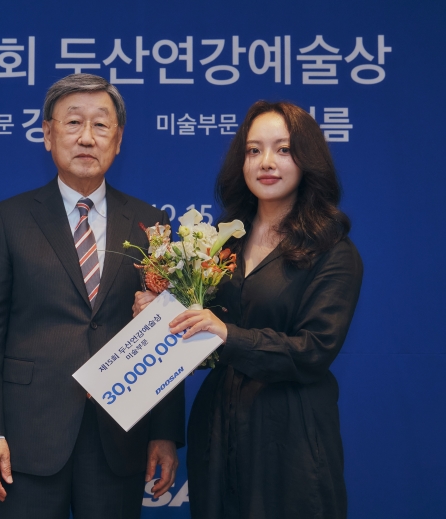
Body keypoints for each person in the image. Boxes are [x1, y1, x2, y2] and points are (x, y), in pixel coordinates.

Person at [0, 73, 185, 519]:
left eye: (101, 125)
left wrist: (163, 432)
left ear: (118, 140)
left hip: (118, 432)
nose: (87, 137)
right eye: (73, 123)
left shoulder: (150, 222)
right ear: (48, 134)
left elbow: (164, 331)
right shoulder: (9, 219)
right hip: (29, 434)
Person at [134, 100, 363, 518]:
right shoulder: (221, 242)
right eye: (254, 150)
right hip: (216, 429)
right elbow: (198, 338)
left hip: (289, 435)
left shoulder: (333, 250)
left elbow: (314, 350)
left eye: (283, 149)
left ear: (308, 159)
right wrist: (159, 316)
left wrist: (227, 333)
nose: (266, 162)